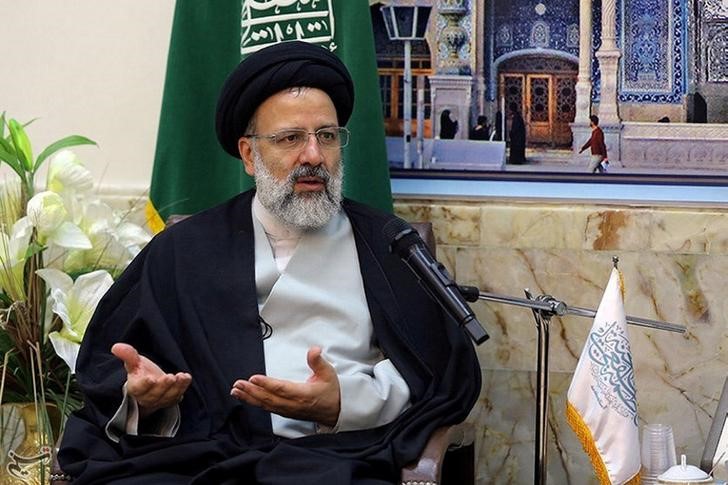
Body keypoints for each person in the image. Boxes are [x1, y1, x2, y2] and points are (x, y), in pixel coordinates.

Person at [58, 41, 481, 484]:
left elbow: (443, 373)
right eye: (290, 138)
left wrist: (345, 402)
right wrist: (143, 398)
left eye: (327, 136)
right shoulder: (182, 249)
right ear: (248, 154)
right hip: (200, 454)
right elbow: (111, 369)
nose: (313, 156)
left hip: (336, 455)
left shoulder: (386, 244)